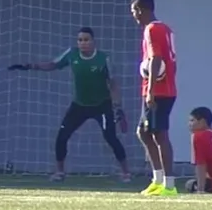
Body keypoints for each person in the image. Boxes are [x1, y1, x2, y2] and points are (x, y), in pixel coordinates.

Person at [9, 27, 131, 182]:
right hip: (79, 105)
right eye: (80, 40)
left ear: (93, 42)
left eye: (86, 40)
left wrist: (118, 107)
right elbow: (53, 64)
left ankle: (126, 172)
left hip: (102, 105)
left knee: (111, 138)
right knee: (62, 137)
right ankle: (59, 172)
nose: (83, 43)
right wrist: (31, 66)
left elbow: (113, 84)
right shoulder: (71, 54)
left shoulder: (103, 59)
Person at [131, 0, 178, 196]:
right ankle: (157, 179)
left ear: (140, 10)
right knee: (143, 132)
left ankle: (169, 185)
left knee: (160, 135)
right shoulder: (165, 28)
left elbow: (156, 59)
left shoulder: (152, 29)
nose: (134, 16)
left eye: (134, 12)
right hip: (162, 89)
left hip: (158, 91)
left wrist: (150, 91)